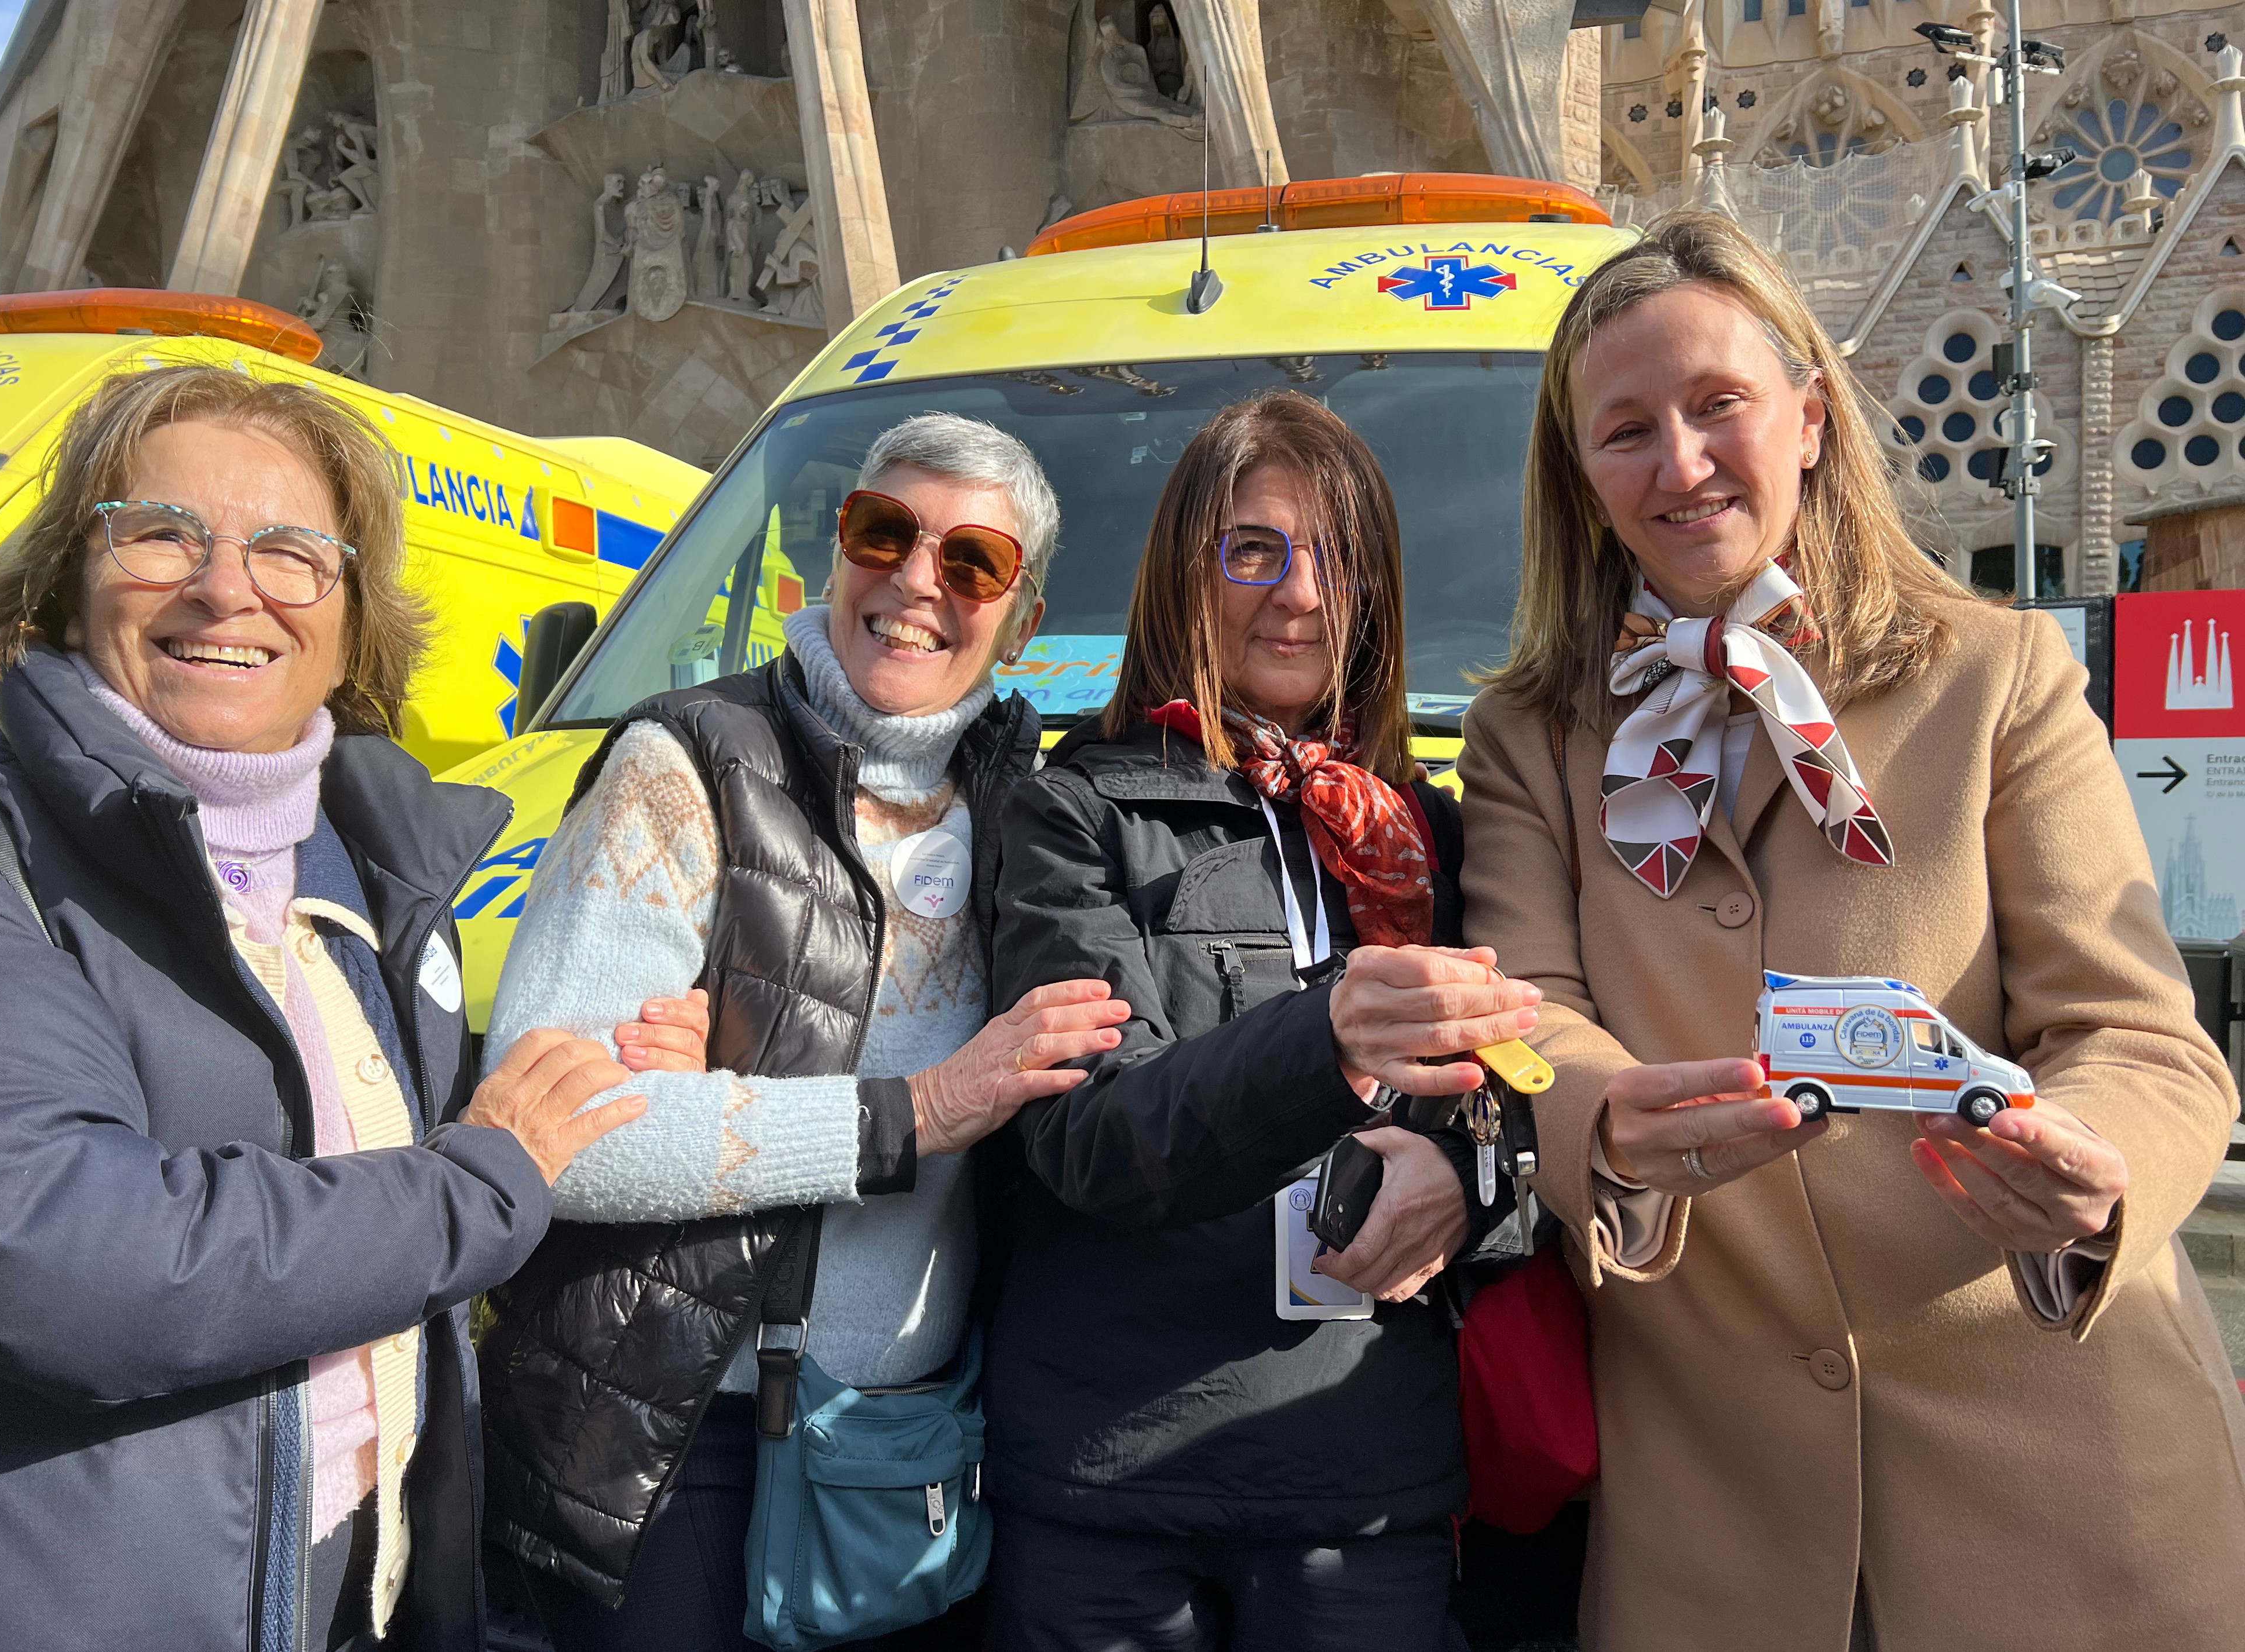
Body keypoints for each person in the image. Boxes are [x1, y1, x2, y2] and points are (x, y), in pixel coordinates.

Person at [1455, 207, 2245, 1651]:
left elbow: (2138, 1035)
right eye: (1625, 431)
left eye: (1719, 407)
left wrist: (2094, 1176)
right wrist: (1606, 1122)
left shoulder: (1994, 674)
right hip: (1715, 1524)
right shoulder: (1529, 736)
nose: (1681, 465)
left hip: (2065, 1488)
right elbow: (1527, 1014)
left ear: (1810, 419)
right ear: (1582, 478)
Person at [0, 365, 643, 1651]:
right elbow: (55, 1253)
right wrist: (476, 1183)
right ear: (67, 585)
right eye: (160, 533)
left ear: (355, 618)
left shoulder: (366, 866)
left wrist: (569, 1077)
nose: (224, 586)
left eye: (291, 551)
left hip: (360, 1590)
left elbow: (354, 1160)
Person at [476, 412, 1130, 1651]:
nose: (915, 582)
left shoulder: (1025, 806)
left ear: (1023, 616)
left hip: (907, 1442)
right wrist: (914, 1110)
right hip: (678, 1440)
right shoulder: (684, 766)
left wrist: (734, 1096)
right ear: (833, 554)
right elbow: (562, 1134)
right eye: (883, 533)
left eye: (972, 561)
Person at [983, 390, 1540, 1651]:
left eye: (1336, 557)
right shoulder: (1073, 813)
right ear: (1186, 570)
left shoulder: (1431, 834)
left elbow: (1534, 1104)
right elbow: (1089, 1140)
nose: (1297, 593)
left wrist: (1475, 1180)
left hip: (1368, 1473)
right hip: (1114, 1477)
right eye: (1254, 550)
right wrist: (1332, 1038)